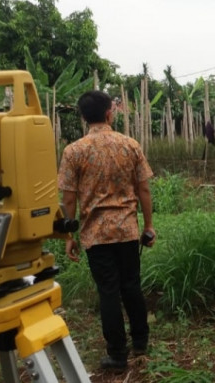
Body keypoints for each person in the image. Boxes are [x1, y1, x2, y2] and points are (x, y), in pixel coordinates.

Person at [58, 90, 156, 371]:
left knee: (109, 292)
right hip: (126, 230)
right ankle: (140, 342)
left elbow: (68, 198)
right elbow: (144, 188)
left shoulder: (74, 151)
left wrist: (68, 235)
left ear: (83, 117)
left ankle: (116, 354)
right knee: (131, 286)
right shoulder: (130, 145)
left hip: (95, 235)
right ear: (109, 114)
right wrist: (148, 225)